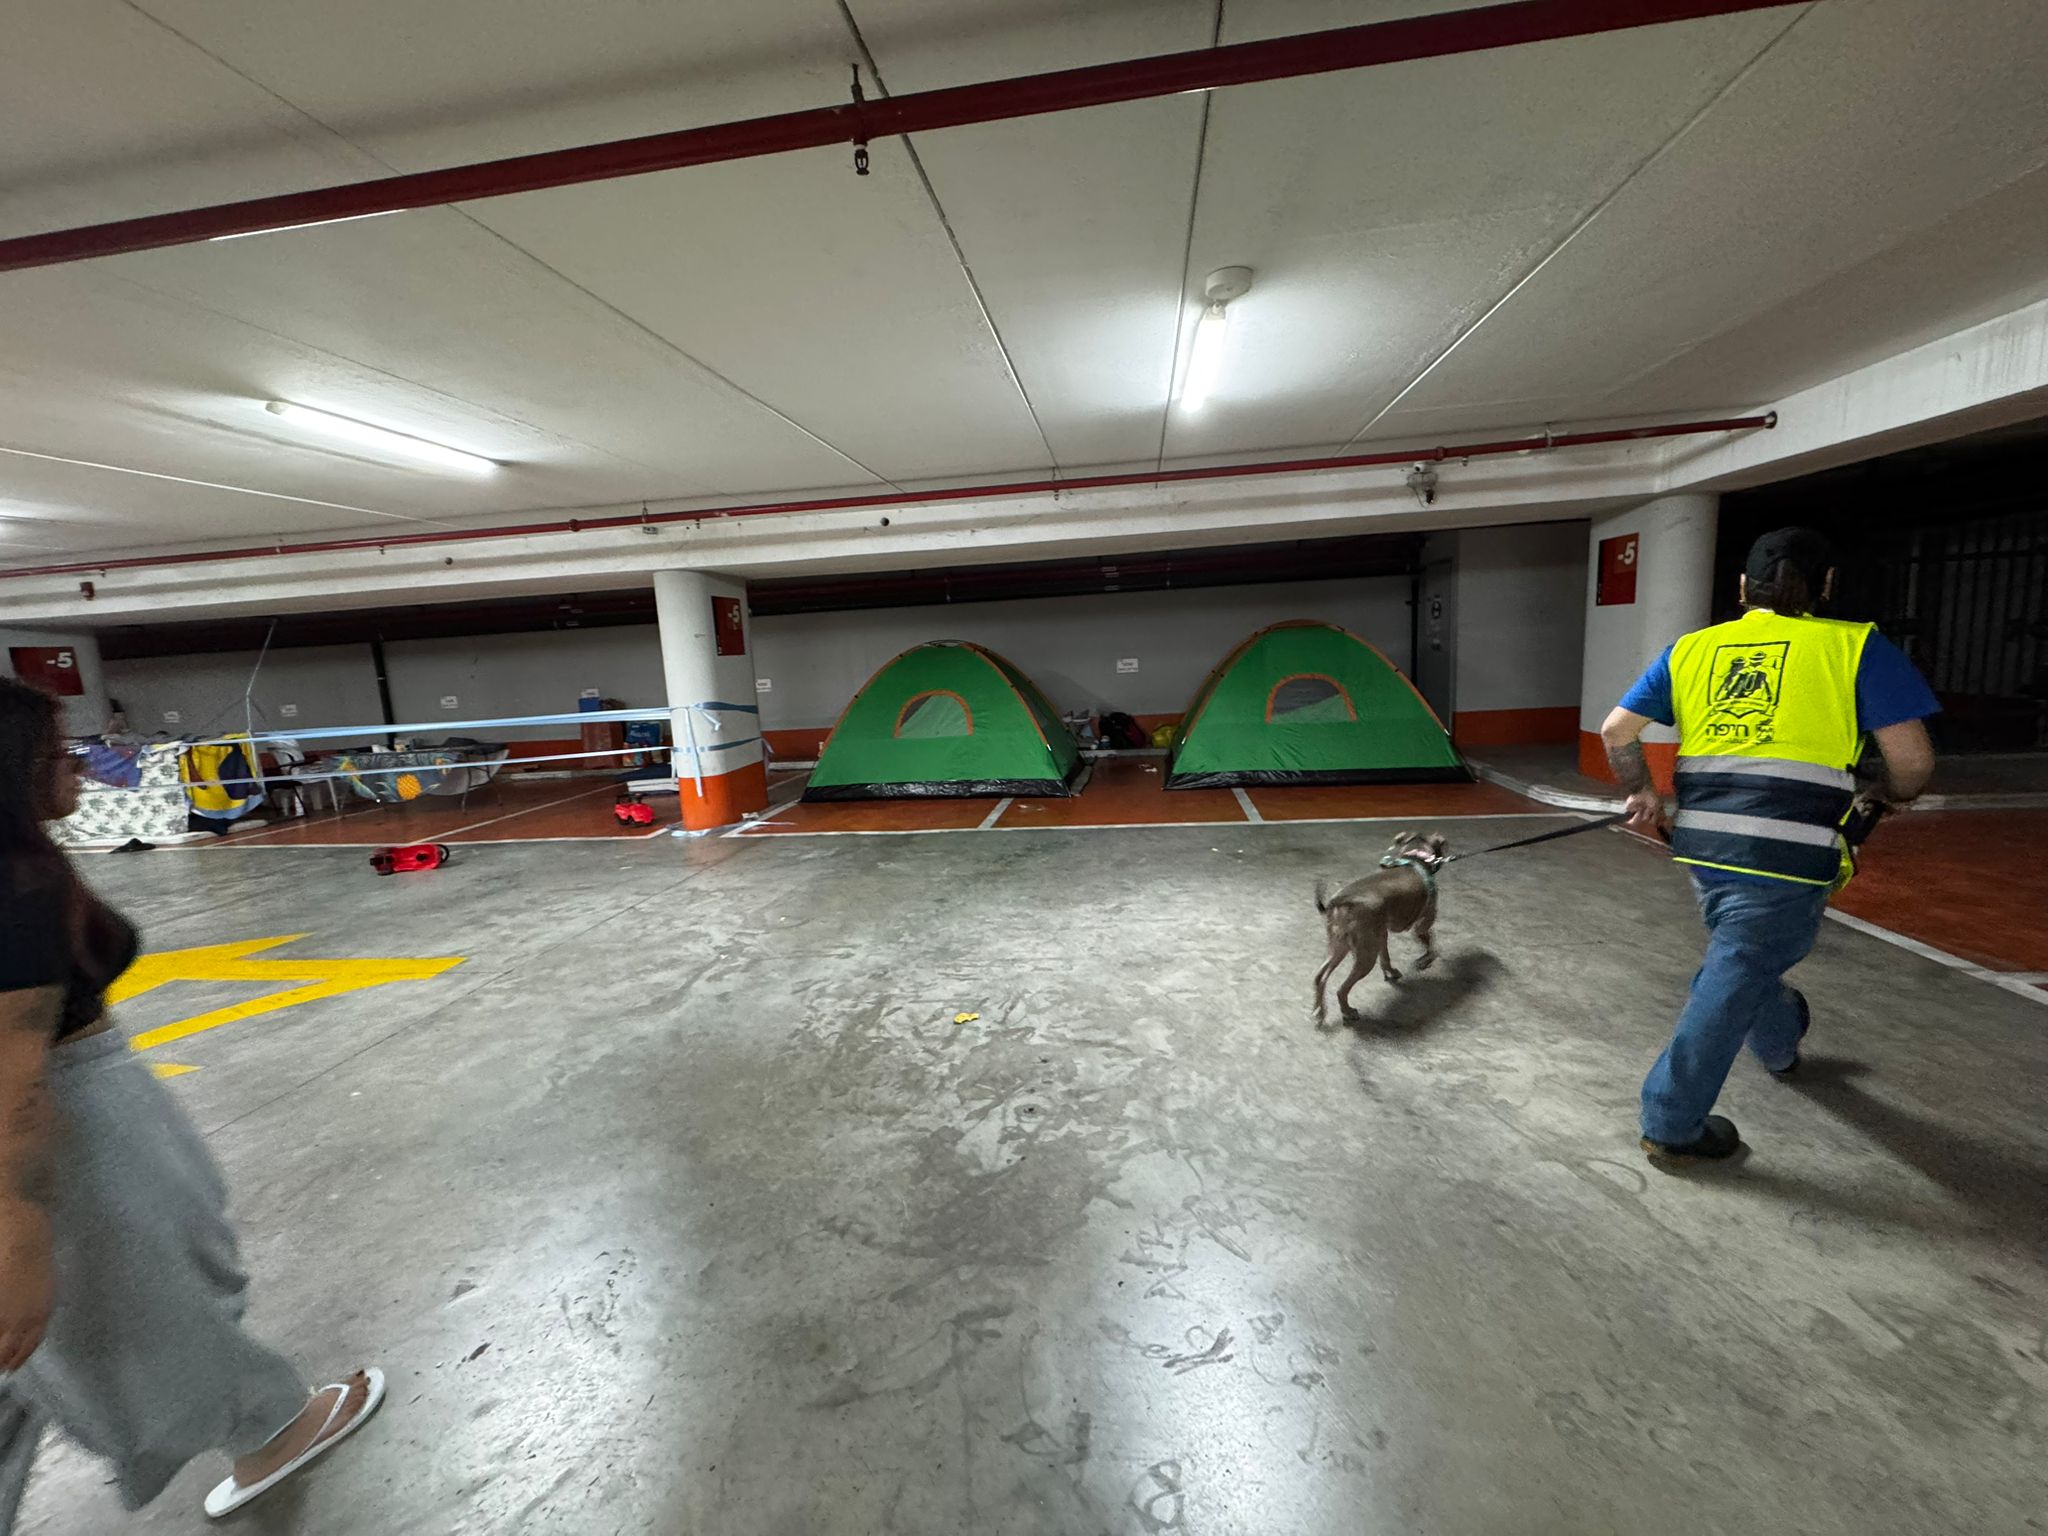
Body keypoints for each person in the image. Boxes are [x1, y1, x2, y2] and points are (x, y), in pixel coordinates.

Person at [0, 677, 384, 1525]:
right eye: (57, 751)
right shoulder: (12, 885)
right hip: (74, 1116)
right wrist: (17, 1227)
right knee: (155, 1290)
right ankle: (271, 1428)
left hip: (73, 1103)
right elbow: (12, 1076)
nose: (77, 764)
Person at [1599, 527, 1938, 1163]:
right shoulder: (1855, 647)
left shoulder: (1691, 649)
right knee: (1736, 970)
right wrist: (1889, 796)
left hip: (1702, 844)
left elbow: (1617, 731)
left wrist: (1643, 790)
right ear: (1827, 584)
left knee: (1744, 957)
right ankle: (1671, 1122)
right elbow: (1913, 763)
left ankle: (1780, 1038)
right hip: (1788, 852)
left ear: (1742, 588)